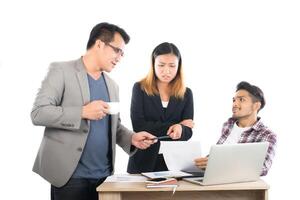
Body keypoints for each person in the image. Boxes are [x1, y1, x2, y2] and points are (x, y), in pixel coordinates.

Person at [31, 22, 156, 200]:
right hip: (70, 178)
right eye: (117, 50)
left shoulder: (113, 86)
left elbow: (114, 126)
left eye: (122, 53)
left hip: (104, 178)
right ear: (99, 44)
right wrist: (81, 112)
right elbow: (38, 113)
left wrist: (132, 138)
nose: (120, 57)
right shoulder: (61, 71)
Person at [127, 42, 194, 173]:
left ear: (178, 67)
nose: (166, 71)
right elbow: (139, 126)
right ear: (153, 65)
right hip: (143, 160)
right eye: (161, 65)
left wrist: (182, 128)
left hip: (174, 163)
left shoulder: (186, 93)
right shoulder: (140, 88)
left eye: (172, 66)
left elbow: (188, 131)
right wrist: (178, 125)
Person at [194, 81, 277, 176]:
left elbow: (263, 168)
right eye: (234, 100)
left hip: (241, 186)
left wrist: (219, 164)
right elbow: (219, 153)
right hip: (216, 178)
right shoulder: (228, 125)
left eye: (241, 100)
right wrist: (205, 161)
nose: (234, 104)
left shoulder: (267, 135)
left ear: (256, 106)